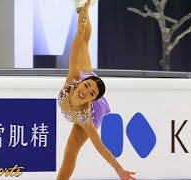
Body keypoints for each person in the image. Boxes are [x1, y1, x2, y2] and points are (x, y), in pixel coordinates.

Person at [56, 0, 137, 180]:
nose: (84, 91)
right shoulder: (74, 79)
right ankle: (80, 6)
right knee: (84, 42)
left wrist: (119, 170)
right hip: (86, 74)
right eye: (86, 86)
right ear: (82, 83)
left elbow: (100, 146)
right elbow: (77, 41)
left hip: (94, 111)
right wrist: (82, 17)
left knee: (71, 151)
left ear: (92, 99)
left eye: (90, 93)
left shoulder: (87, 118)